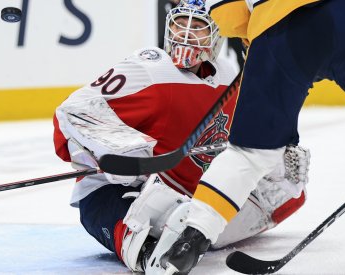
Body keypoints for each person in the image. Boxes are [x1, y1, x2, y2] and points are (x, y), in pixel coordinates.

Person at [53, 0, 310, 273]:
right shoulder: (150, 67)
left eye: (198, 26)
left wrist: (277, 151)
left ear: (216, 36)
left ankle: (191, 229)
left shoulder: (229, 75)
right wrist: (119, 148)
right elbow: (74, 111)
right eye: (179, 25)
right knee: (151, 209)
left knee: (283, 195)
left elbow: (253, 134)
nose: (186, 34)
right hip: (118, 193)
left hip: (186, 197)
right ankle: (148, 254)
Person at [148, 0, 345, 273]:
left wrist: (252, 37)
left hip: (279, 29)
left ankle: (191, 238)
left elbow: (226, 12)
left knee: (249, 154)